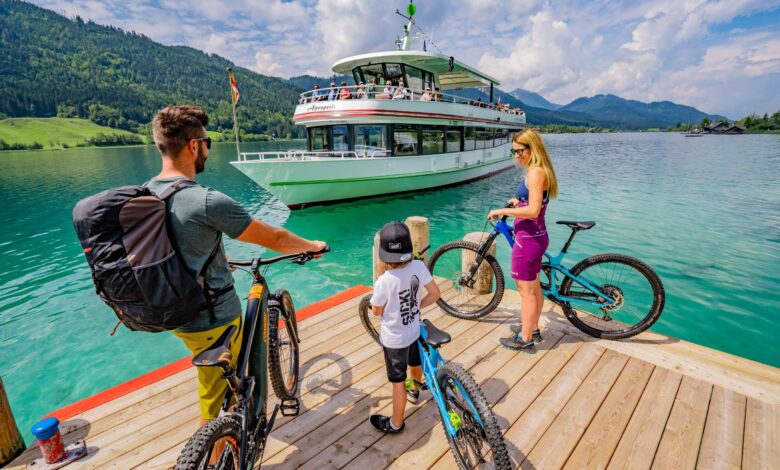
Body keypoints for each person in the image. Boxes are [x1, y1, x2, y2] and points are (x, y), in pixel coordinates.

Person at [147, 105, 327, 426]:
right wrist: (312, 246)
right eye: (207, 143)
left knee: (226, 381)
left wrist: (213, 259)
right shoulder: (206, 200)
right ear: (193, 146)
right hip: (212, 318)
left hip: (169, 309)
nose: (207, 149)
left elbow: (172, 242)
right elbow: (275, 237)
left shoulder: (146, 193)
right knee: (216, 402)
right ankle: (220, 445)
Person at [487, 129, 558, 353]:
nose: (516, 155)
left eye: (520, 151)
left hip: (528, 240)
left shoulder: (536, 173)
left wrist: (501, 210)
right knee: (534, 287)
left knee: (525, 292)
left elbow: (534, 210)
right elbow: (533, 200)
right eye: (513, 151)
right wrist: (518, 201)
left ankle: (525, 339)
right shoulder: (540, 171)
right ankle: (533, 329)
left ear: (532, 148)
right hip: (536, 237)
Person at [369, 221, 440, 432]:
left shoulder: (384, 281)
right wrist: (417, 306)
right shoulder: (418, 266)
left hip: (394, 340)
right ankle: (415, 392)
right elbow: (435, 294)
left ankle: (396, 423)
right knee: (414, 362)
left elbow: (376, 311)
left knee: (398, 381)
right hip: (414, 331)